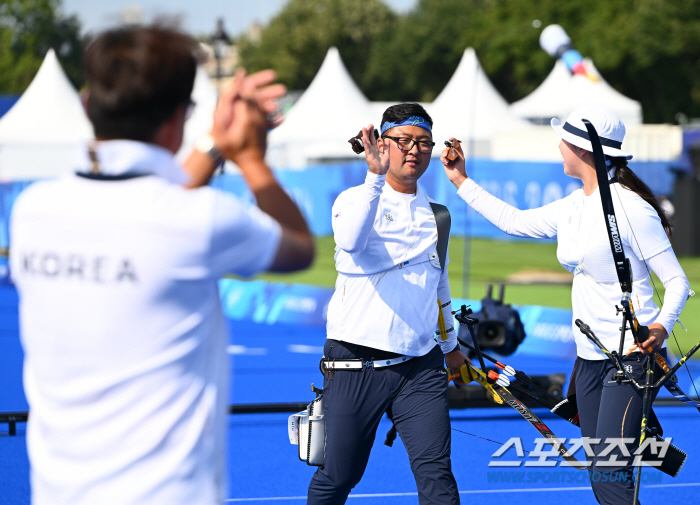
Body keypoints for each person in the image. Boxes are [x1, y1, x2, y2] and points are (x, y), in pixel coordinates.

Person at [10, 25, 314, 505]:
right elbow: (299, 246)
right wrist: (250, 157)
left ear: (88, 105)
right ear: (178, 120)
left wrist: (214, 142)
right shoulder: (200, 219)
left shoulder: (32, 211)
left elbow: (150, 211)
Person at [441, 105, 690, 505]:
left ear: (585, 150)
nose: (559, 147)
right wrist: (460, 180)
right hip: (589, 358)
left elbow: (677, 282)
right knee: (605, 476)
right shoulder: (575, 205)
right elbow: (513, 222)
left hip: (629, 359)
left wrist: (660, 328)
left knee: (610, 478)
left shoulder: (632, 208)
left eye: (565, 140)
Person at [307, 103, 469, 504]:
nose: (415, 150)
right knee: (338, 477)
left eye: (424, 143)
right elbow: (350, 241)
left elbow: (439, 288)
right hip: (355, 363)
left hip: (419, 369)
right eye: (404, 141)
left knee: (437, 476)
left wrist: (451, 349)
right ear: (382, 144)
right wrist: (375, 178)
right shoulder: (353, 198)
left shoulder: (439, 215)